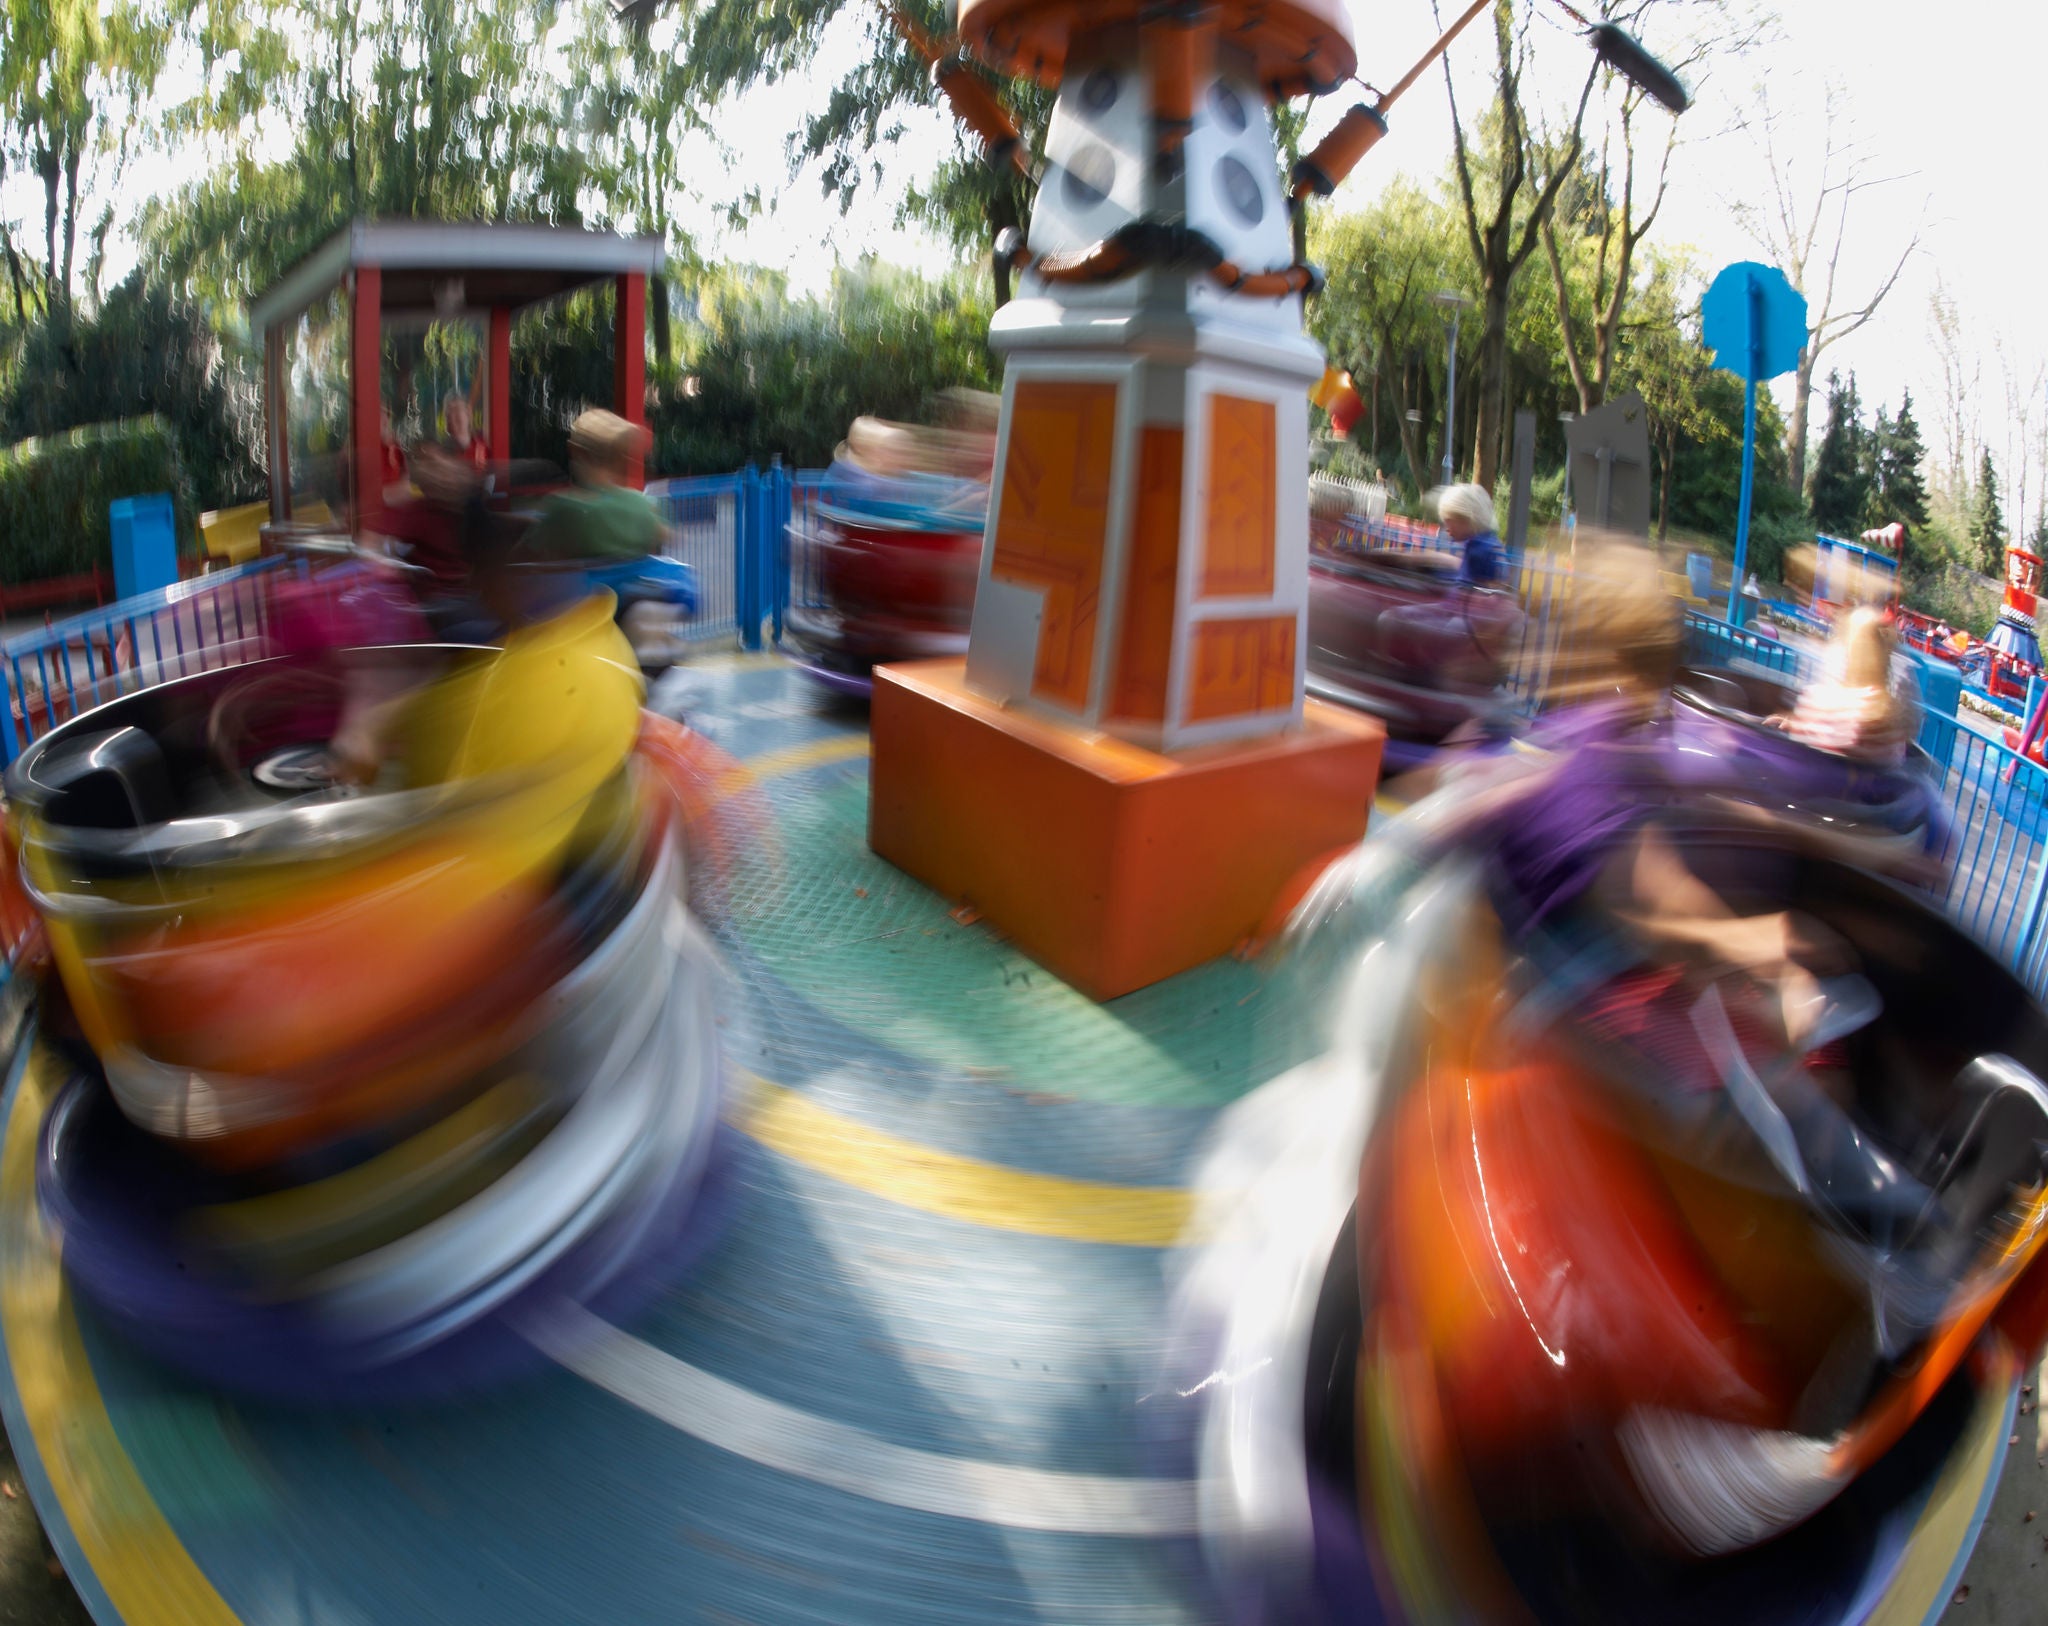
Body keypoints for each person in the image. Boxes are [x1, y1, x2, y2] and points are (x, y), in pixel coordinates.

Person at [519, 409, 665, 563]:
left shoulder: (561, 508)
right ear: (620, 457)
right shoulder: (639, 504)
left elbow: (522, 557)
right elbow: (662, 536)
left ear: (576, 451)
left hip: (576, 587)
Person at [1437, 483, 1506, 587]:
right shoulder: (1484, 542)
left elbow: (1478, 590)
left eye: (1448, 520)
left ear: (1465, 519)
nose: (1447, 528)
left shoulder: (1479, 549)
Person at [443, 390, 489, 471]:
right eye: (450, 412)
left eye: (458, 409)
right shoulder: (444, 452)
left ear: (468, 414)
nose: (454, 415)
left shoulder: (481, 444)